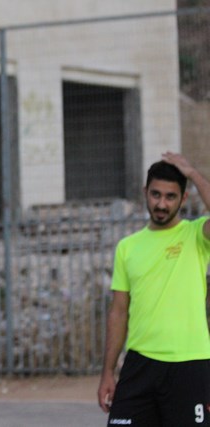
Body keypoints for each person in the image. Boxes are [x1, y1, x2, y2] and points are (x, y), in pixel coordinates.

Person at [97, 152, 210, 426]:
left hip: (190, 364)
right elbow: (119, 313)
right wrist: (108, 372)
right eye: (156, 194)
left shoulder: (195, 236)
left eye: (171, 197)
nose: (161, 204)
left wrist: (193, 174)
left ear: (183, 199)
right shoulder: (128, 247)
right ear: (145, 193)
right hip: (139, 364)